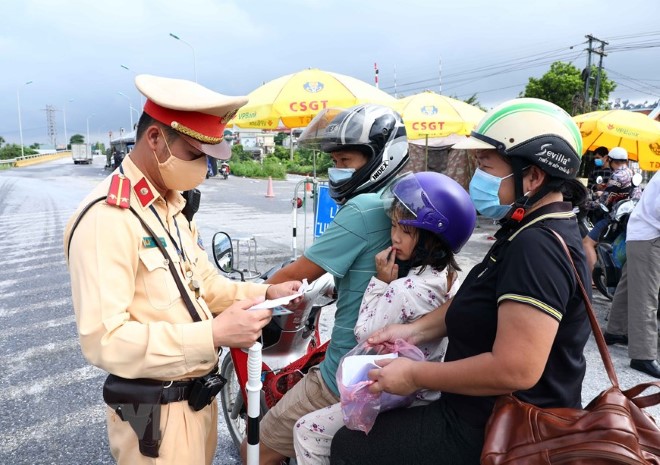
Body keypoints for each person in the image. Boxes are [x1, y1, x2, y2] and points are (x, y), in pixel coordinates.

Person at [329, 97, 592, 465]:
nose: (476, 178)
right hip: (477, 411)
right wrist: (414, 332)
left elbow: (516, 368)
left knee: (348, 446)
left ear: (533, 175)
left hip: (496, 428)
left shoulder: (537, 247)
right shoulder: (524, 227)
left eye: (486, 166)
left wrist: (417, 375)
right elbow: (479, 298)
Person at [63, 74, 301, 465]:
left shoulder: (169, 204)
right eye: (195, 155)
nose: (204, 167)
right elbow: (105, 339)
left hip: (197, 400)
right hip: (154, 414)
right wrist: (213, 333)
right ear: (155, 139)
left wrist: (264, 294)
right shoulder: (108, 218)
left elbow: (202, 283)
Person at [239, 103, 410, 465]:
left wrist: (247, 295)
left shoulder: (364, 208)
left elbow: (295, 275)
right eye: (334, 160)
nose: (337, 170)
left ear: (381, 157)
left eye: (346, 160)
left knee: (255, 451)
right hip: (398, 363)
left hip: (345, 371)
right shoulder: (403, 203)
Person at [293, 171, 477, 465]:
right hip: (425, 390)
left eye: (405, 230)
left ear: (434, 237)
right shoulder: (448, 278)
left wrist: (379, 282)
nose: (394, 236)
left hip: (395, 392)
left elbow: (365, 332)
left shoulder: (404, 289)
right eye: (393, 226)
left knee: (306, 431)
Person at [603, 170, 660, 378]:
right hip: (650, 236)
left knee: (628, 285)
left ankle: (615, 330)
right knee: (646, 296)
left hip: (643, 233)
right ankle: (642, 355)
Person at [582, 146, 638, 273]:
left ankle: (592, 277)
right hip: (627, 217)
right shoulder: (631, 173)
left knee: (587, 243)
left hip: (613, 218)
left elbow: (604, 202)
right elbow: (633, 194)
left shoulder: (617, 176)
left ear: (611, 160)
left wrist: (586, 205)